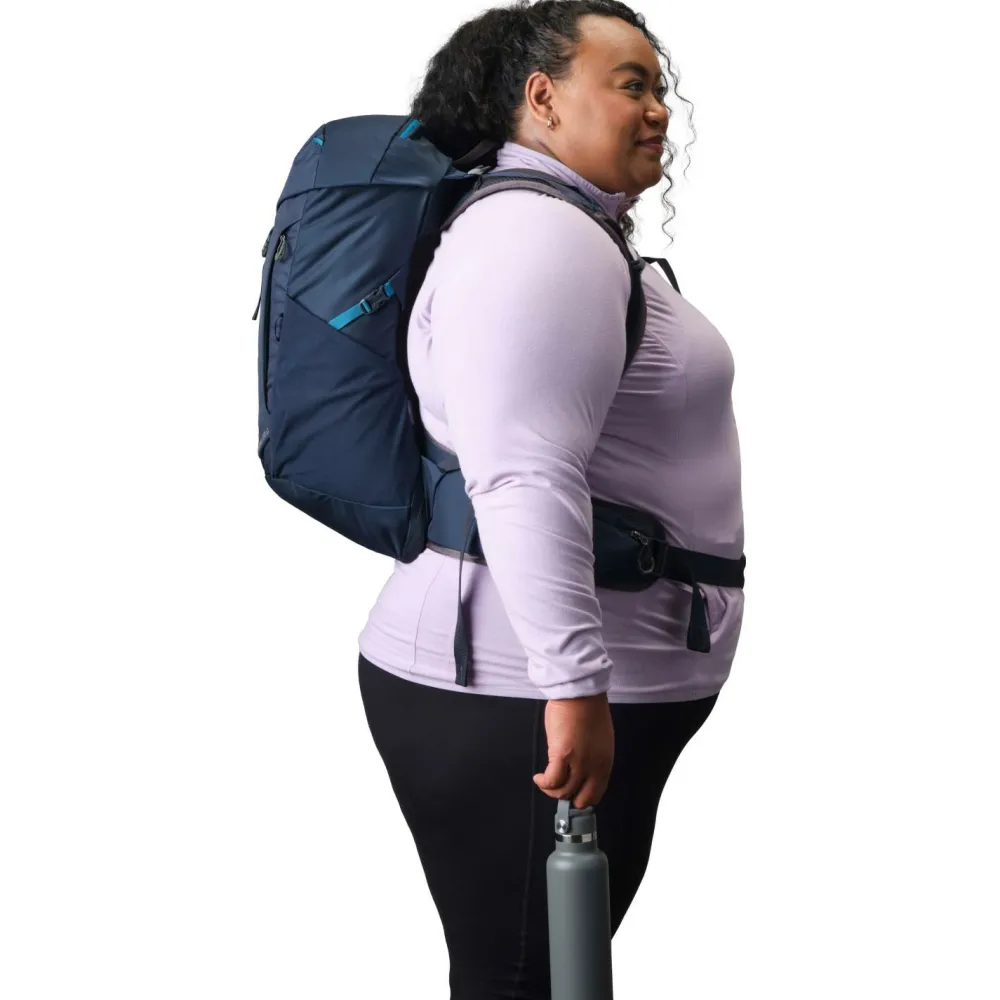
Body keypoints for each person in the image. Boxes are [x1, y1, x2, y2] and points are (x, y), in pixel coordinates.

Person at [356, 1, 745, 996]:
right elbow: (521, 472)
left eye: (660, 87)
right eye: (630, 84)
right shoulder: (535, 237)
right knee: (525, 979)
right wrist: (572, 683)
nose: (659, 109)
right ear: (542, 97)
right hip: (515, 693)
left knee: (538, 972)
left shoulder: (566, 229)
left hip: (540, 687)